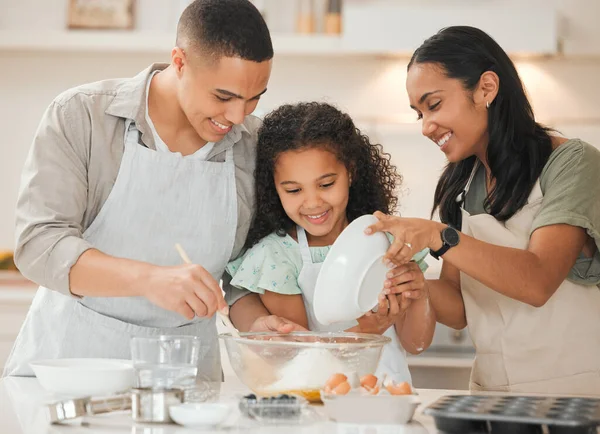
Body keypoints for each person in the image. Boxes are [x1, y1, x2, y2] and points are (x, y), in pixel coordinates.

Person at [4, 0, 303, 379]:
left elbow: (241, 271)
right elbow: (38, 246)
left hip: (188, 377)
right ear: (179, 62)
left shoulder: (253, 145)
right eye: (223, 97)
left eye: (254, 98)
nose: (237, 117)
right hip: (73, 366)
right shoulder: (82, 116)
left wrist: (254, 323)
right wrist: (148, 279)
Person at [366, 26, 600, 395]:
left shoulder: (573, 164)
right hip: (492, 395)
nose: (426, 126)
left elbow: (537, 281)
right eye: (418, 113)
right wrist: (412, 284)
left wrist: (435, 235)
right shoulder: (462, 186)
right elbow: (460, 309)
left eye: (434, 104)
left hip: (575, 399)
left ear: (486, 88)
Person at [226, 102, 436, 383]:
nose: (313, 203)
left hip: (386, 400)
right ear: (273, 188)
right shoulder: (276, 257)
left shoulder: (390, 241)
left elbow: (416, 344)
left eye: (326, 184)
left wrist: (419, 293)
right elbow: (300, 360)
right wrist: (368, 331)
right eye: (293, 190)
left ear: (350, 171)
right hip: (318, 406)